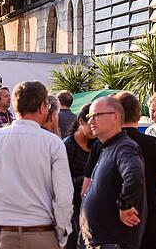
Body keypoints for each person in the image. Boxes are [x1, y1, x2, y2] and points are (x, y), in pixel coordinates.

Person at [0, 81, 73, 248]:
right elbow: (63, 197)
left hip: (3, 233)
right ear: (43, 107)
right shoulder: (53, 143)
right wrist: (61, 235)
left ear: (15, 106)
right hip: (42, 233)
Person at [111, 91, 156, 249]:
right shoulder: (154, 145)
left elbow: (87, 188)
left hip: (112, 226)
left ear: (117, 115)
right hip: (150, 224)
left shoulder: (104, 145)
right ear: (139, 114)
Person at [79, 96, 146, 249]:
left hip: (112, 242)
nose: (91, 121)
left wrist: (125, 205)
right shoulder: (107, 147)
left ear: (116, 117)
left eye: (96, 116)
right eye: (90, 117)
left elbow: (134, 174)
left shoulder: (124, 147)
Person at [62, 103, 93, 249]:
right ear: (81, 121)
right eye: (90, 122)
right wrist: (88, 179)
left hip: (90, 206)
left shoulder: (96, 144)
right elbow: (62, 181)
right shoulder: (68, 146)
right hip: (72, 209)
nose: (94, 127)